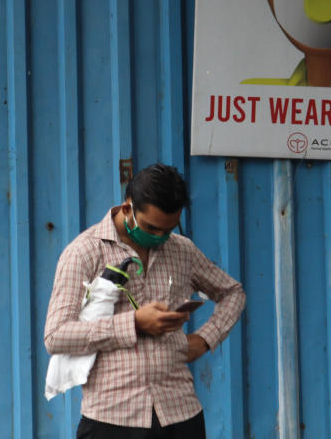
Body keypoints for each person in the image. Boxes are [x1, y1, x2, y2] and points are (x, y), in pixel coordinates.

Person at [44, 164, 246, 438]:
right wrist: (134, 323)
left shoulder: (181, 250)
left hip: (181, 412)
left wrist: (204, 340)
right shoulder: (84, 252)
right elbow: (56, 335)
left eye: (168, 229)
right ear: (128, 208)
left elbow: (233, 292)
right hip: (113, 418)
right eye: (152, 228)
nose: (160, 237)